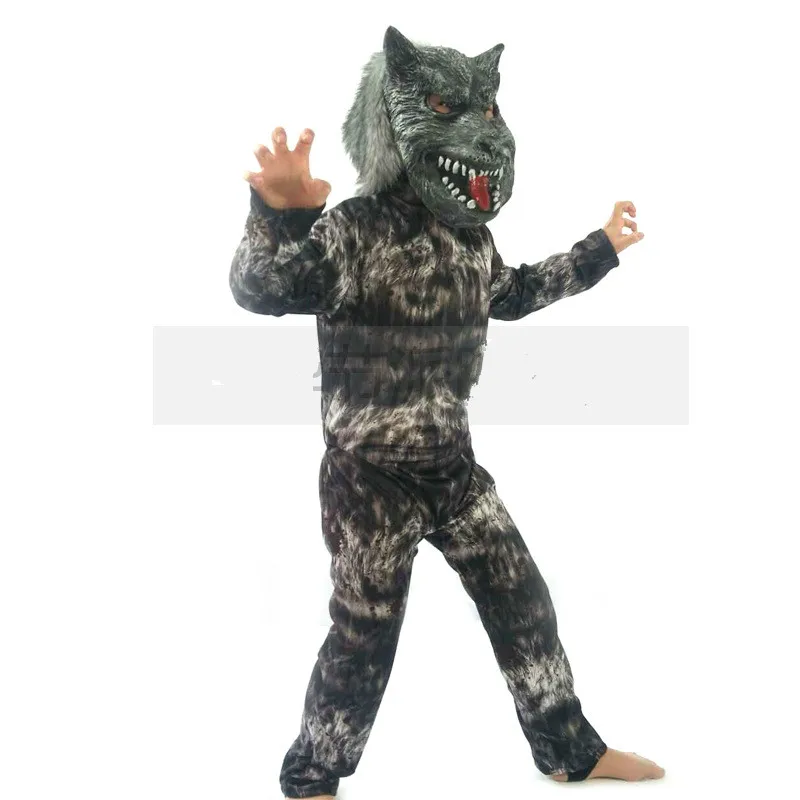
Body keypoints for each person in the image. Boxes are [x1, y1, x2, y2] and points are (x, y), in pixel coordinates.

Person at [230, 26, 664, 800]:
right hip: (369, 482)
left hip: (454, 473)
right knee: (364, 636)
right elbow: (262, 287)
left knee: (523, 601)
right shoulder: (355, 229)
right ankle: (312, 778)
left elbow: (515, 293)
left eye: (486, 108)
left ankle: (569, 751)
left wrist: (600, 248)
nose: (482, 128)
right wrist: (280, 214)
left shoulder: (470, 239)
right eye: (443, 107)